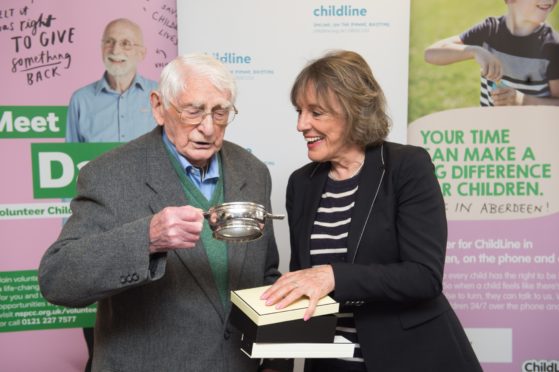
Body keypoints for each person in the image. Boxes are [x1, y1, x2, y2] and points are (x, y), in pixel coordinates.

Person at [39, 53, 289, 372]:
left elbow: (265, 276)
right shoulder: (109, 174)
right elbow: (57, 279)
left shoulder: (252, 172)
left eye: (220, 112)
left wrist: (276, 363)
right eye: (193, 111)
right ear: (159, 107)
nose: (209, 128)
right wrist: (147, 239)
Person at [261, 50, 483, 372]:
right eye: (299, 111)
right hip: (330, 364)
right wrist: (276, 364)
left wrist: (333, 275)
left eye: (316, 112)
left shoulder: (408, 167)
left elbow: (424, 276)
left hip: (412, 358)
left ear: (353, 111)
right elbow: (302, 283)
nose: (301, 125)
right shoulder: (301, 183)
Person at [424, 0, 559, 107]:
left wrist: (521, 100)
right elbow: (431, 53)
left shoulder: (553, 47)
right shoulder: (490, 30)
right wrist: (473, 51)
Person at [65, 18, 158, 143]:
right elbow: (72, 156)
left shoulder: (161, 95)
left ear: (142, 53)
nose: (115, 51)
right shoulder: (81, 100)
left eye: (126, 43)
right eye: (109, 42)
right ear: (101, 48)